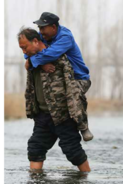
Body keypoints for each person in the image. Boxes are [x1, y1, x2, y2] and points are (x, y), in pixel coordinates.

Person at [18, 27, 90, 172]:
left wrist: (78, 117)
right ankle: (35, 183)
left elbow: (72, 87)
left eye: (25, 47)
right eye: (21, 48)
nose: (23, 52)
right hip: (42, 116)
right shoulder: (32, 61)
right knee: (35, 148)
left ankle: (86, 180)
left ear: (36, 41)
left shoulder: (59, 58)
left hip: (63, 115)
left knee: (73, 151)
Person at [24, 12, 93, 141]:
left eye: (43, 28)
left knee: (73, 92)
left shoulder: (65, 37)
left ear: (54, 27)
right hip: (62, 79)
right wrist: (40, 65)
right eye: (39, 28)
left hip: (78, 78)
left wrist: (34, 62)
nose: (41, 31)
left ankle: (83, 126)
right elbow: (29, 51)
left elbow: (50, 54)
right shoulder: (42, 36)